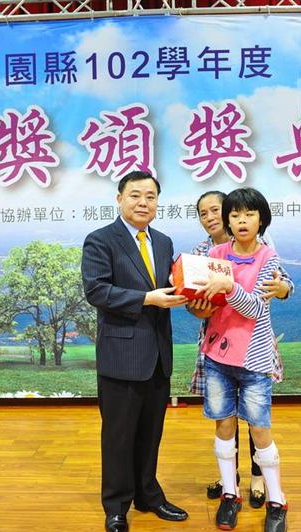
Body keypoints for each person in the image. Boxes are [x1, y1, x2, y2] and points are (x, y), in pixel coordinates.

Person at [81, 170, 190, 532]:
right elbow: (97, 291)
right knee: (118, 436)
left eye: (150, 197)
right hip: (121, 356)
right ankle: (116, 506)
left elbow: (171, 286)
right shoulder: (100, 240)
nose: (143, 202)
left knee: (150, 433)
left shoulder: (163, 241)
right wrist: (147, 299)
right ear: (119, 199)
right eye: (135, 195)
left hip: (158, 355)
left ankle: (148, 495)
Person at [187, 191, 293, 510]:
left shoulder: (268, 256)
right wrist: (195, 301)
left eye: (248, 215)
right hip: (216, 355)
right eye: (235, 216)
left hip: (254, 358)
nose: (240, 221)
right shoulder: (211, 254)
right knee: (223, 423)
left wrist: (230, 287)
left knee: (258, 426)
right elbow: (198, 300)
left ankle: (274, 496)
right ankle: (229, 492)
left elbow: (258, 307)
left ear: (261, 219)